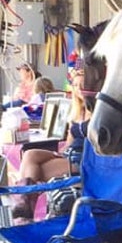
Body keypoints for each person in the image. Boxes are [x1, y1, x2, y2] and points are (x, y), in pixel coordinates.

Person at [9, 61, 91, 223]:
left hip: (85, 159)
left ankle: (24, 215)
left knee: (37, 171)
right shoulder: (77, 111)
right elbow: (68, 143)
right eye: (75, 85)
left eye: (82, 85)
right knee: (30, 154)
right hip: (70, 155)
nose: (79, 89)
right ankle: (24, 209)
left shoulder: (98, 112)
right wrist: (57, 155)